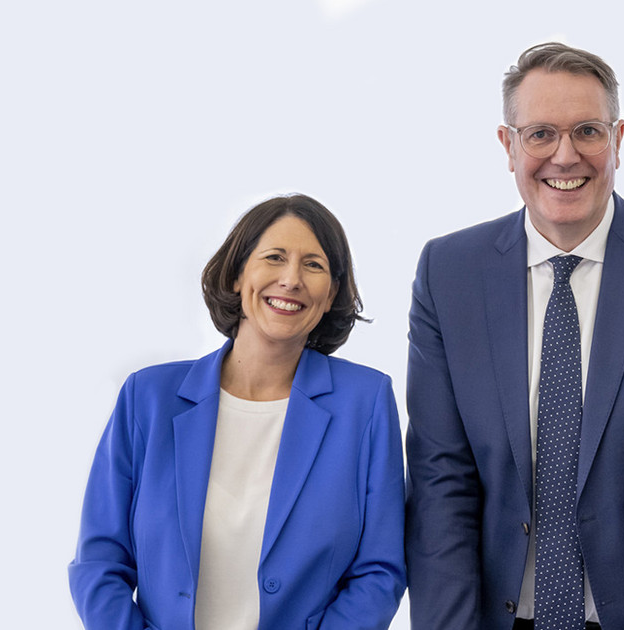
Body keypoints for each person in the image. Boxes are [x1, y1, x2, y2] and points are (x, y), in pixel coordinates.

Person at [405, 43, 624, 630]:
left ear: (618, 139)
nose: (565, 156)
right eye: (541, 133)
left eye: (588, 131)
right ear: (508, 145)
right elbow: (441, 486)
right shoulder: (449, 273)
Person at [68, 194, 405, 630]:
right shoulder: (148, 397)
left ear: (332, 293)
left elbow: (379, 572)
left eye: (314, 265)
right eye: (274, 257)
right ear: (236, 274)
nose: (291, 279)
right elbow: (98, 564)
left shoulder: (366, 402)